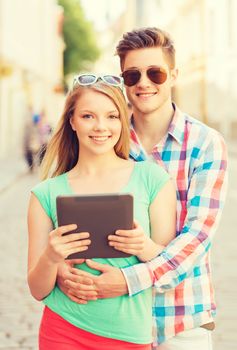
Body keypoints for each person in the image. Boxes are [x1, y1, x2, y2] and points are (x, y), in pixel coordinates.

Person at [56, 28, 228, 350]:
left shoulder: (205, 143)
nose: (144, 83)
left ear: (174, 75)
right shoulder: (106, 135)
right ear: (123, 81)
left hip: (181, 319)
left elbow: (198, 236)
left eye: (156, 73)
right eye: (132, 75)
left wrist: (127, 280)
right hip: (111, 321)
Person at [27, 73, 177, 349]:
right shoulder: (45, 194)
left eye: (111, 116)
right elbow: (38, 290)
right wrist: (51, 257)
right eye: (87, 116)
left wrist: (143, 246)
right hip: (63, 330)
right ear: (72, 121)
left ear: (123, 121)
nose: (100, 127)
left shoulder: (153, 180)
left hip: (129, 336)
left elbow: (169, 269)